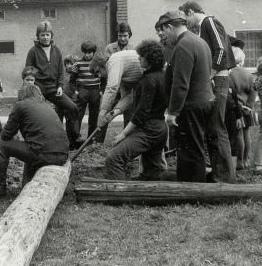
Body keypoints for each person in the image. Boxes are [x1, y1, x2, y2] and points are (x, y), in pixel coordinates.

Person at [179, 1, 236, 183]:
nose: (186, 23)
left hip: (218, 79)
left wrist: (208, 75)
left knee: (217, 129)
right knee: (213, 129)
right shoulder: (203, 27)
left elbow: (220, 50)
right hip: (217, 79)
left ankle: (225, 178)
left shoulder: (208, 22)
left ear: (190, 12)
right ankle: (220, 174)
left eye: (185, 18)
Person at [155, 11, 214, 182]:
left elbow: (181, 83)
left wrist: (173, 112)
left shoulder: (183, 45)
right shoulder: (198, 41)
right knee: (194, 147)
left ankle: (193, 190)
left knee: (190, 150)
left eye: (163, 31)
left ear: (170, 27)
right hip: (203, 102)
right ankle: (190, 182)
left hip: (192, 105)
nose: (163, 37)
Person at [0, 84, 69, 197]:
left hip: (42, 154)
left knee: (2, 146)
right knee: (31, 146)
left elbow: (5, 135)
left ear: (22, 95)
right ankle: (26, 185)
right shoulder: (47, 106)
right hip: (63, 155)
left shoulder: (21, 105)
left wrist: (15, 133)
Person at [105, 39, 168, 181]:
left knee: (114, 158)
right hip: (160, 128)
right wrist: (116, 111)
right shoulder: (161, 77)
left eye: (141, 56)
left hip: (149, 130)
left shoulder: (149, 80)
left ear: (150, 59)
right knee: (152, 172)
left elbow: (141, 113)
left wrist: (123, 134)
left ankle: (119, 194)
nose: (138, 58)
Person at [25, 21, 81, 149]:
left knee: (72, 107)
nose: (45, 37)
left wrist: (60, 86)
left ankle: (72, 141)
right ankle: (37, 142)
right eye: (42, 35)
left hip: (54, 88)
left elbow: (60, 71)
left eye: (48, 34)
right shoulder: (33, 51)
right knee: (38, 114)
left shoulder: (57, 51)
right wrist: (33, 87)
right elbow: (28, 71)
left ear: (52, 36)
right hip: (38, 88)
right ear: (38, 36)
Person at [227, 46, 256, 170]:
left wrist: (239, 106)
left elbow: (231, 93)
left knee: (238, 135)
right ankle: (246, 160)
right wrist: (249, 106)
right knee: (247, 134)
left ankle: (239, 161)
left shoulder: (230, 74)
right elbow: (253, 91)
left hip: (236, 109)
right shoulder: (249, 75)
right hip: (247, 109)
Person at [69, 42, 103, 142]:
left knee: (94, 115)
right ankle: (76, 138)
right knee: (78, 115)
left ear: (94, 52)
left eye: (90, 53)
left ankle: (90, 139)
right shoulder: (77, 64)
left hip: (95, 91)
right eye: (85, 52)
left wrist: (101, 90)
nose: (87, 55)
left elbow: (104, 79)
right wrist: (75, 91)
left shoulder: (99, 63)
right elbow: (72, 81)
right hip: (82, 90)